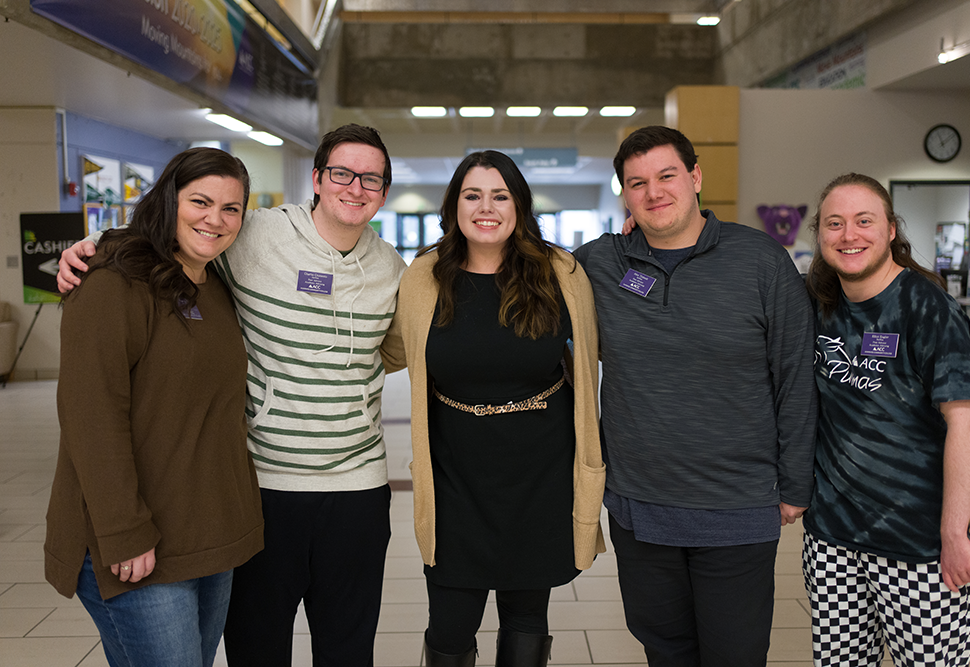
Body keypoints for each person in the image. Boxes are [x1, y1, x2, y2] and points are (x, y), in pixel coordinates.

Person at [56, 124, 408, 667]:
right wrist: (97, 247)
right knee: (257, 648)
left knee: (348, 648)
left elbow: (398, 348)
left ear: (384, 192)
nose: (355, 187)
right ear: (317, 179)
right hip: (264, 487)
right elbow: (177, 232)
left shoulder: (391, 269)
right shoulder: (254, 236)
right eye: (341, 172)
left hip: (351, 489)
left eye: (372, 178)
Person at [574, 125, 817, 667]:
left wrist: (796, 482)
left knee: (735, 653)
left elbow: (796, 374)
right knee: (665, 649)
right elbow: (520, 276)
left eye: (666, 176)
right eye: (637, 183)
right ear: (624, 194)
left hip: (737, 503)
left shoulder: (760, 261)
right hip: (640, 504)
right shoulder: (600, 264)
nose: (654, 192)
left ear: (696, 176)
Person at [379, 150, 606, 667]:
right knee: (450, 623)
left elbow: (600, 343)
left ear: (519, 206)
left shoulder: (560, 272)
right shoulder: (424, 276)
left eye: (500, 195)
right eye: (473, 195)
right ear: (454, 205)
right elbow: (391, 348)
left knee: (527, 615)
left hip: (541, 474)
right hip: (455, 477)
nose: (487, 207)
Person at [45, 147, 264, 667]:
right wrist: (123, 533)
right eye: (201, 201)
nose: (215, 219)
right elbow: (90, 417)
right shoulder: (112, 283)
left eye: (231, 209)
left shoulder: (215, 285)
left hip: (209, 535)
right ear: (169, 198)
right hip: (134, 544)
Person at [803, 173, 970, 666]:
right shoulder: (817, 305)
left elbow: (965, 423)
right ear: (820, 236)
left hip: (918, 543)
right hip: (832, 541)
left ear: (890, 231)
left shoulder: (929, 309)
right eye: (835, 224)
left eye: (864, 221)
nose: (849, 235)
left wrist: (953, 533)